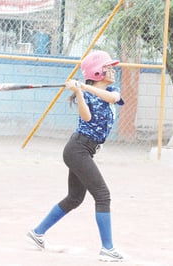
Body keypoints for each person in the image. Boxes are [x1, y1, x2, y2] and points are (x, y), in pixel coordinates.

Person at [27, 50, 126, 262]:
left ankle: (37, 233)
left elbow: (112, 98)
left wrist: (83, 86)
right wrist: (80, 93)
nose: (112, 70)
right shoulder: (87, 95)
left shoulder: (112, 91)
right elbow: (87, 117)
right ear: (97, 72)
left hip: (84, 151)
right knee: (103, 195)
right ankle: (107, 249)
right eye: (108, 67)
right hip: (77, 149)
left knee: (75, 198)